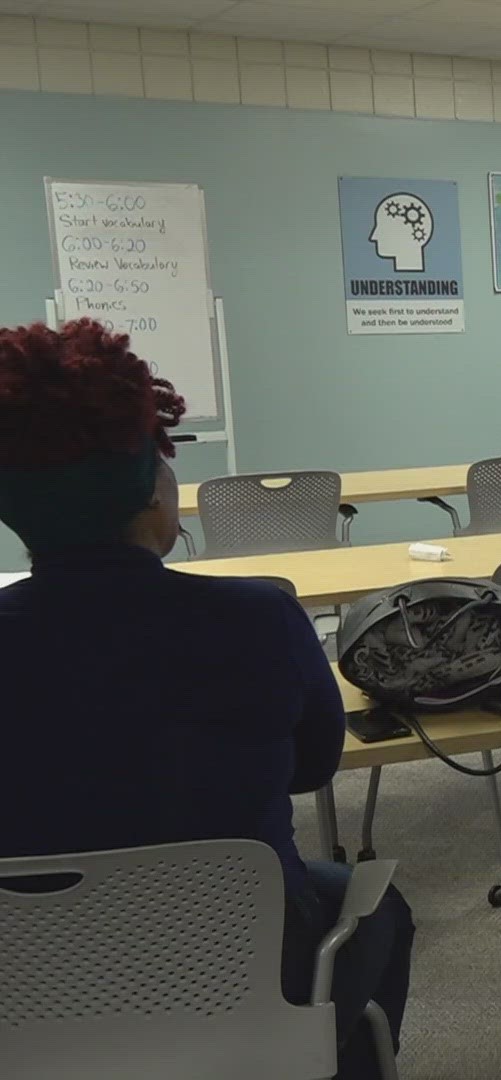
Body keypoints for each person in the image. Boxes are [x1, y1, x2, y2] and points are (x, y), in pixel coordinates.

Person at [0, 320, 413, 1079]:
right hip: (241, 965)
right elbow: (313, 765)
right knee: (379, 909)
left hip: (30, 993)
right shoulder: (258, 618)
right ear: (152, 494)